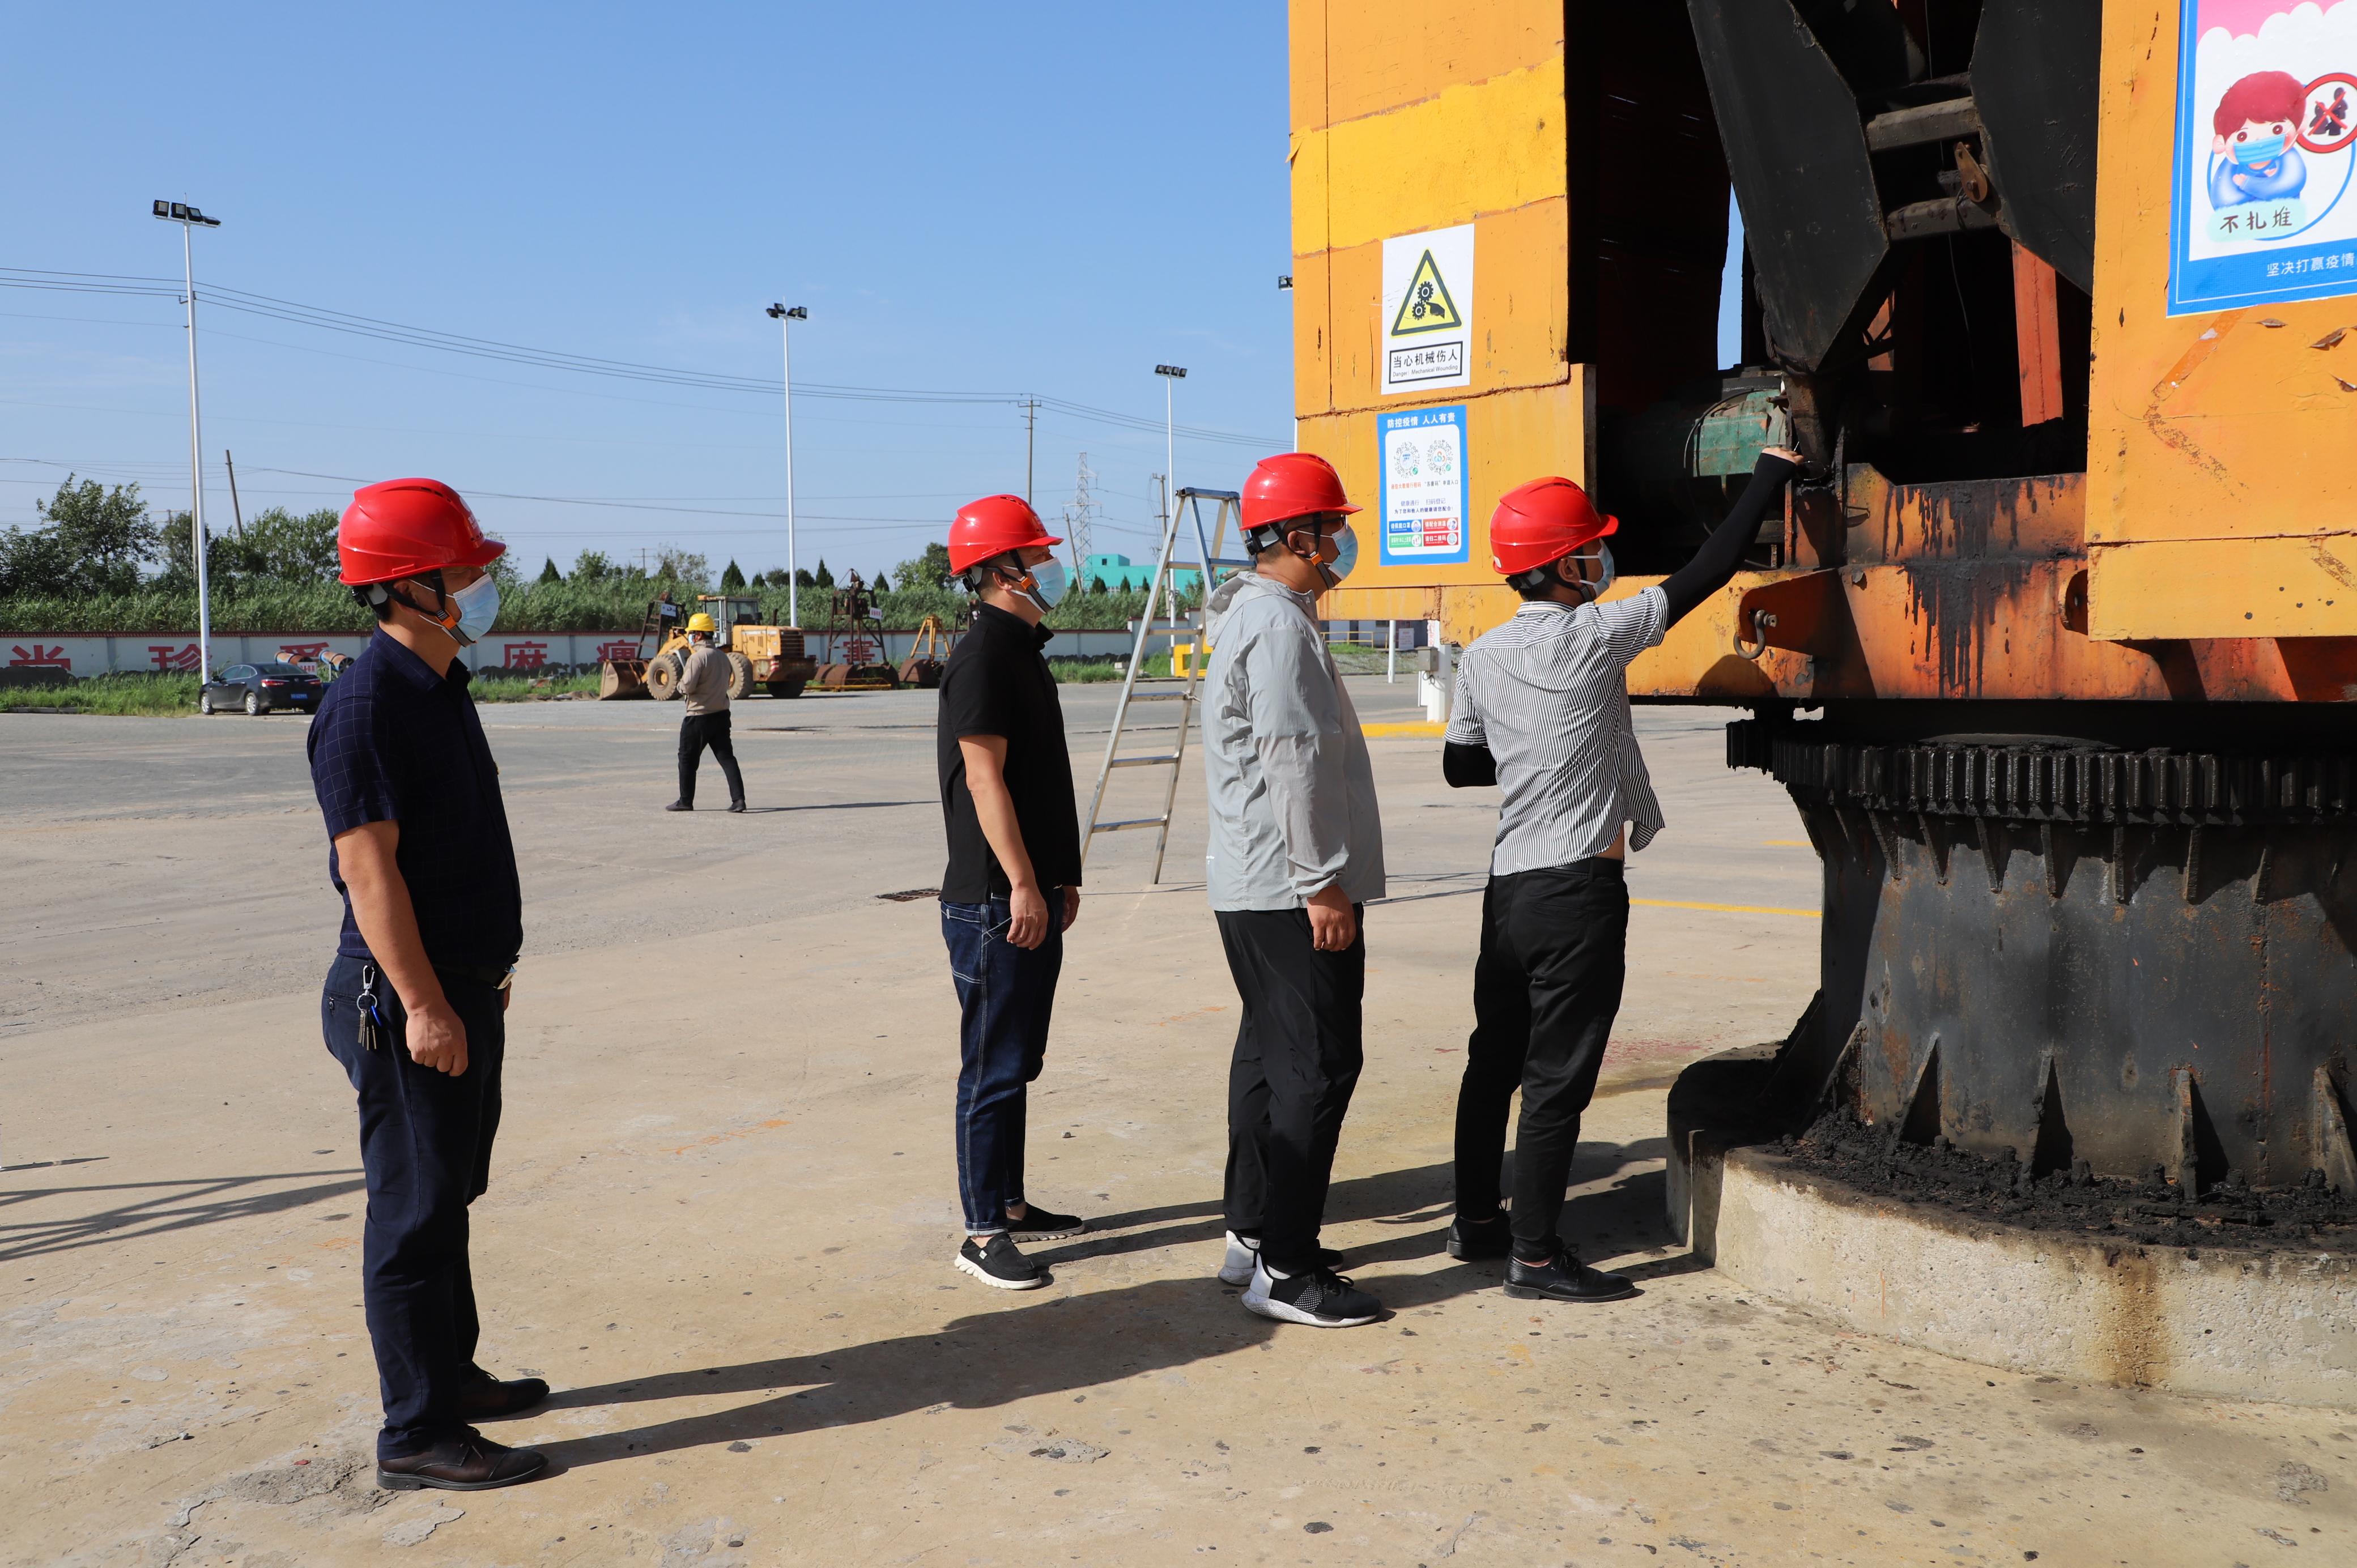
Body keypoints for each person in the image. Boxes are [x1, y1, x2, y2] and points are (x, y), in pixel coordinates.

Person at [1443, 448, 1801, 1303]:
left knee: (1494, 1062)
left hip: (1509, 892)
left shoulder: (1483, 656)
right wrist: (1769, 473)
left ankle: (1477, 1222)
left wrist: (1535, 755)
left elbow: (1460, 766)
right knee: (1556, 1080)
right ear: (1562, 566)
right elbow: (1708, 570)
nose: (1601, 561)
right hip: (1576, 894)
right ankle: (1534, 1257)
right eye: (1590, 550)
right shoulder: (1597, 634)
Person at [307, 478, 550, 1490]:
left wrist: (482, 976)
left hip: (460, 985)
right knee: (412, 1213)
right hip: (404, 998)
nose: (482, 586)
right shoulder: (366, 704)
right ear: (408, 587)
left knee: (448, 1195)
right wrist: (423, 1002)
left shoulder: (440, 685)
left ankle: (452, 1374)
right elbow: (369, 873)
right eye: (465, 571)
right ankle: (416, 1430)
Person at [1201, 451, 1387, 1328]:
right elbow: (1294, 760)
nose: (1340, 543)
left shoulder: (1253, 614)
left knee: (1268, 1060)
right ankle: (1287, 1269)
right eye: (1333, 528)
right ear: (1298, 536)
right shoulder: (1278, 627)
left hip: (1252, 883)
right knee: (1317, 1067)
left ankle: (1253, 1234)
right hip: (1287, 886)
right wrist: (1322, 884)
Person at [935, 495, 1088, 1290]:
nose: (1051, 567)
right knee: (990, 1068)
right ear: (1002, 570)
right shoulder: (983, 657)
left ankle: (1012, 1204)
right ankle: (981, 1230)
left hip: (1032, 892)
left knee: (1018, 1060)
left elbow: (1037, 779)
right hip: (996, 900)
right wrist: (1023, 883)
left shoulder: (1023, 649)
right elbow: (984, 779)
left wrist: (1059, 876)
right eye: (1038, 556)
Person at [666, 612, 746, 813]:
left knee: (687, 759)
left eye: (692, 633)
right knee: (727, 758)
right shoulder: (723, 657)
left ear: (699, 635)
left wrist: (679, 686)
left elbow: (688, 686)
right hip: (721, 715)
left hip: (698, 717)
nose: (690, 637)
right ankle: (739, 800)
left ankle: (685, 801)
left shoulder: (697, 658)